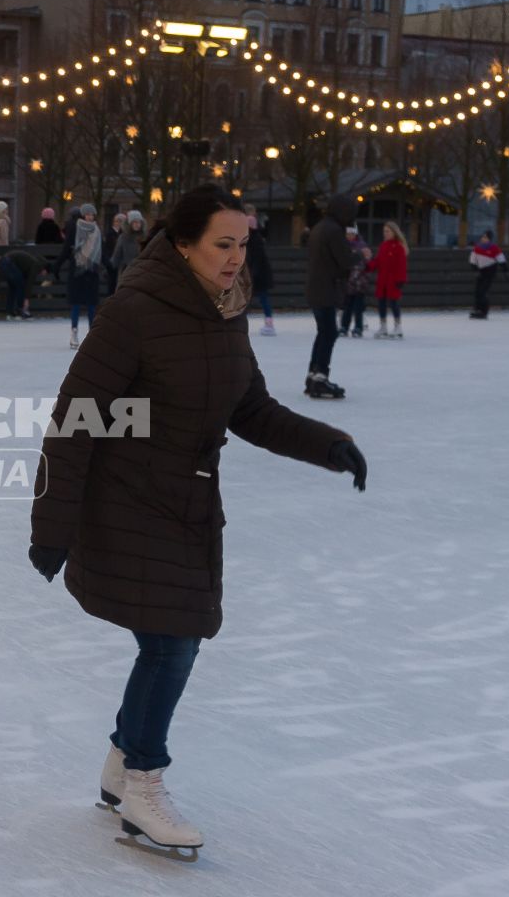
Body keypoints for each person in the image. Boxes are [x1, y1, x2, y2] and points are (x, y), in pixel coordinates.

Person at [28, 184, 364, 857]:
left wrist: (328, 443)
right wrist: (52, 527)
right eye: (222, 244)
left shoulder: (225, 312)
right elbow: (73, 423)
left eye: (244, 244)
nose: (237, 257)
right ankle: (143, 785)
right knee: (173, 642)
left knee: (169, 641)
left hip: (187, 506)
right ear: (183, 245)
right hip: (127, 504)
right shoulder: (134, 314)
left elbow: (253, 409)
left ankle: (124, 762)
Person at [303, 194, 355, 399]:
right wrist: (361, 255)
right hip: (325, 288)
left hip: (316, 287)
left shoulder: (320, 227)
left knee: (324, 332)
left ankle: (313, 375)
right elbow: (345, 261)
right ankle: (320, 378)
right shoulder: (334, 231)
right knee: (329, 333)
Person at [63, 203, 101, 348]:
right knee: (76, 304)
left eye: (92, 214)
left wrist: (108, 264)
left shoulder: (97, 230)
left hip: (92, 271)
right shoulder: (75, 228)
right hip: (78, 271)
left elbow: (100, 250)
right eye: (87, 214)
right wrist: (57, 265)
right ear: (82, 215)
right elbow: (67, 248)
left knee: (92, 305)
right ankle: (74, 332)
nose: (90, 217)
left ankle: (92, 335)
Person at [371, 222, 409, 339]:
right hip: (383, 280)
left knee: (394, 303)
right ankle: (383, 326)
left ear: (394, 232)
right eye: (384, 231)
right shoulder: (383, 245)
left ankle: (398, 326)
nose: (385, 233)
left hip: (393, 280)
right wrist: (368, 266)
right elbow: (378, 261)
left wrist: (400, 280)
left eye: (387, 231)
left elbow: (401, 265)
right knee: (381, 303)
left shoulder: (398, 247)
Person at [243, 206, 276, 336]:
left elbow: (255, 257)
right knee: (262, 298)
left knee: (247, 299)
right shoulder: (257, 237)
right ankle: (268, 323)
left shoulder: (252, 239)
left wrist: (252, 273)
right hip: (259, 273)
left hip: (256, 273)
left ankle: (239, 323)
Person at [338, 225, 372, 338]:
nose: (350, 236)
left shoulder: (362, 246)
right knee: (347, 306)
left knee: (358, 307)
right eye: (348, 234)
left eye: (352, 234)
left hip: (360, 282)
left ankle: (358, 327)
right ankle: (344, 326)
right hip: (348, 282)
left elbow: (368, 262)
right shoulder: (343, 246)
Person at [0, 245, 47, 320]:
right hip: (9, 263)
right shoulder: (36, 265)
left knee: (13, 288)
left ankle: (10, 312)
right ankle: (21, 310)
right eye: (45, 272)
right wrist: (26, 299)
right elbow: (30, 283)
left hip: (4, 261)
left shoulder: (31, 262)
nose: (44, 275)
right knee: (20, 286)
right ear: (44, 268)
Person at [468, 228, 507, 318]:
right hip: (480, 272)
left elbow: (501, 260)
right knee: (477, 291)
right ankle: (477, 309)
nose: (484, 238)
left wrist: (505, 270)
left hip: (490, 272)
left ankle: (483, 311)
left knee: (482, 291)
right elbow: (472, 260)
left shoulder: (494, 248)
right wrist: (475, 269)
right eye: (483, 237)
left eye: (486, 237)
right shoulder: (477, 248)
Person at [108, 210, 143, 296]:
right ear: (129, 223)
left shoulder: (144, 237)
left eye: (138, 222)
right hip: (126, 271)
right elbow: (117, 254)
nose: (137, 224)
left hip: (141, 272)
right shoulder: (123, 237)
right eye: (134, 222)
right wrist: (111, 266)